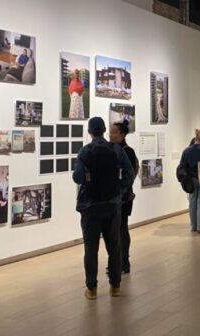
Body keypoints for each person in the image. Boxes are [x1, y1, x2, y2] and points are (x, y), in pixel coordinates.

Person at [73, 117, 134, 300]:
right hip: (112, 205)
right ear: (104, 130)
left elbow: (77, 178)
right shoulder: (115, 149)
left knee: (91, 249)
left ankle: (91, 289)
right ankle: (115, 287)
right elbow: (129, 172)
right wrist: (120, 190)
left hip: (90, 206)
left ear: (90, 131)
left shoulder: (85, 151)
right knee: (114, 247)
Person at [109, 120, 139, 274]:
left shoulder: (128, 151)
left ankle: (123, 262)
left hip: (123, 196)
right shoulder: (109, 149)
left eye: (114, 132)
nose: (111, 135)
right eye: (110, 131)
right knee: (113, 230)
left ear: (122, 134)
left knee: (121, 228)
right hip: (113, 195)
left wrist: (121, 191)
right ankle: (116, 262)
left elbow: (132, 173)